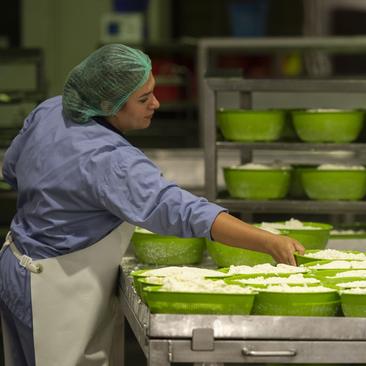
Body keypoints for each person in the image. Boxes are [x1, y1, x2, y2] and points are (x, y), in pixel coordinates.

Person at [0, 44, 304, 366]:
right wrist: (268, 241)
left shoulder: (52, 109)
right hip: (54, 291)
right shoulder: (112, 161)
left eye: (153, 92)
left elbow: (12, 169)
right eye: (144, 99)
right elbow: (180, 209)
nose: (156, 104)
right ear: (108, 105)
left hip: (14, 264)